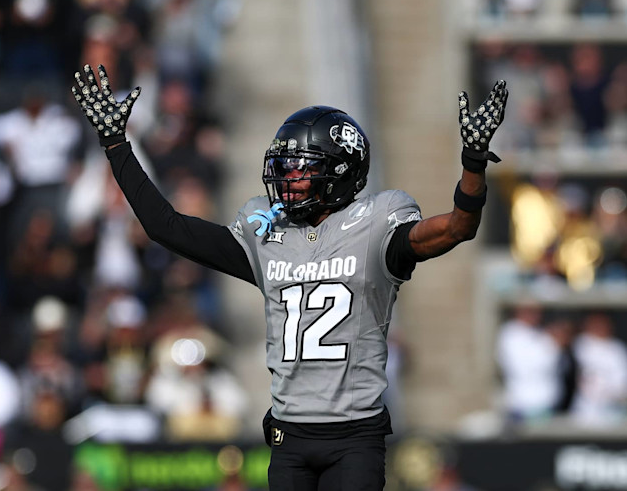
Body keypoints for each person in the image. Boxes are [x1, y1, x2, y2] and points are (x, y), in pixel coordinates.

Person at [71, 64, 508, 491]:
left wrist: (472, 164)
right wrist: (116, 145)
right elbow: (164, 226)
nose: (288, 178)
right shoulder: (267, 235)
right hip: (288, 436)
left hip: (354, 434)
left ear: (340, 169)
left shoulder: (376, 224)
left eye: (301, 167)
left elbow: (457, 227)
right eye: (285, 167)